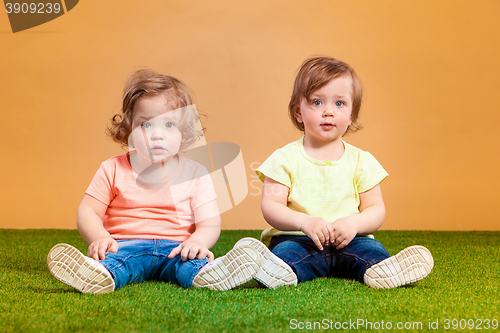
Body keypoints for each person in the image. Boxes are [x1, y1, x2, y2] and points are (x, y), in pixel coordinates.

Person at [47, 69, 261, 293]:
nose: (157, 134)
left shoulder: (196, 173)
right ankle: (96, 273)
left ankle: (209, 273)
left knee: (190, 264)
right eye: (146, 125)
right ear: (129, 127)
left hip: (177, 249)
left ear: (184, 133)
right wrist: (100, 238)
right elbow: (88, 211)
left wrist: (198, 242)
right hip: (124, 246)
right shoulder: (111, 169)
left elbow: (209, 222)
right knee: (116, 263)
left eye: (169, 125)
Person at [240, 56, 434, 289]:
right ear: (298, 112)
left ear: (351, 114)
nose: (328, 112)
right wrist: (304, 222)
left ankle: (383, 270)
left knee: (372, 251)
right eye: (317, 102)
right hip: (300, 239)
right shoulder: (283, 159)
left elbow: (375, 209)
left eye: (339, 104)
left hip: (351, 240)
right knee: (285, 253)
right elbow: (271, 207)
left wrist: (354, 224)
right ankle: (276, 270)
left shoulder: (362, 161)